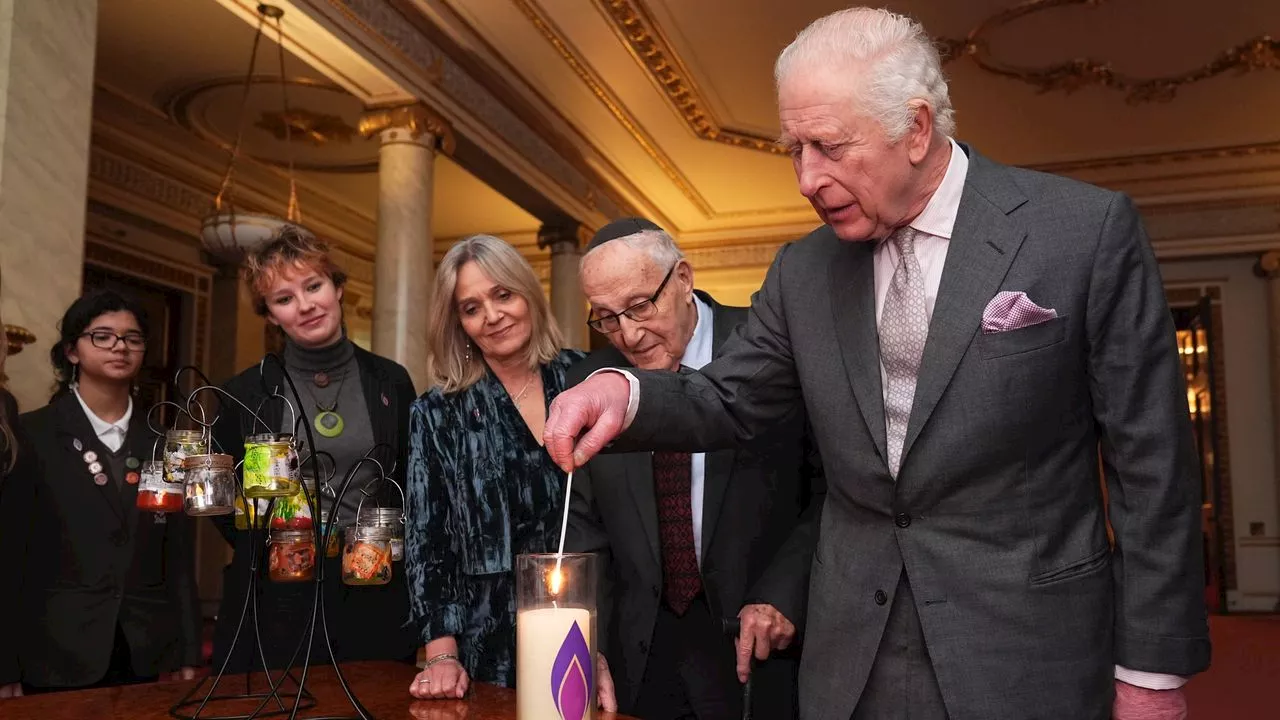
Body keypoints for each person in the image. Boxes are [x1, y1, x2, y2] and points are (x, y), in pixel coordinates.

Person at [544, 8, 1210, 720]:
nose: (805, 178)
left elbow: (1153, 466)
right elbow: (726, 398)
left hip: (1024, 648)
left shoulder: (1081, 233)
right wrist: (622, 390)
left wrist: (1153, 670)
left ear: (916, 128)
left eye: (828, 146)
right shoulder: (803, 271)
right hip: (850, 659)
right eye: (794, 149)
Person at [564, 218, 823, 720]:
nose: (630, 334)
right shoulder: (591, 380)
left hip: (758, 645)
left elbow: (828, 490)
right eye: (607, 318)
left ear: (683, 277)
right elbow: (583, 530)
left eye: (640, 306)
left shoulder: (767, 350)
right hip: (640, 653)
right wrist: (584, 639)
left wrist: (783, 594)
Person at [210, 229, 418, 672]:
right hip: (277, 597)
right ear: (269, 314)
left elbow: (410, 482)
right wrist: (279, 540)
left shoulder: (391, 382)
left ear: (338, 287)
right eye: (283, 298)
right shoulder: (244, 392)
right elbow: (225, 503)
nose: (304, 305)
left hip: (374, 587)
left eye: (314, 286)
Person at [405, 234, 586, 699]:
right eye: (471, 307)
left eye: (502, 294)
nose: (492, 315)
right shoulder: (438, 414)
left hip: (590, 626)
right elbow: (428, 542)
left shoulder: (586, 379)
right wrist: (442, 653)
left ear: (527, 291)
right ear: (459, 324)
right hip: (486, 646)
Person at [0, 290, 201, 694]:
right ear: (72, 351)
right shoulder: (31, 435)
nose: (120, 347)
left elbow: (177, 554)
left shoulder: (165, 442)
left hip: (142, 647)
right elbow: (9, 556)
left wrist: (188, 649)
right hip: (52, 651)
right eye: (103, 336)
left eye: (132, 338)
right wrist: (5, 665)